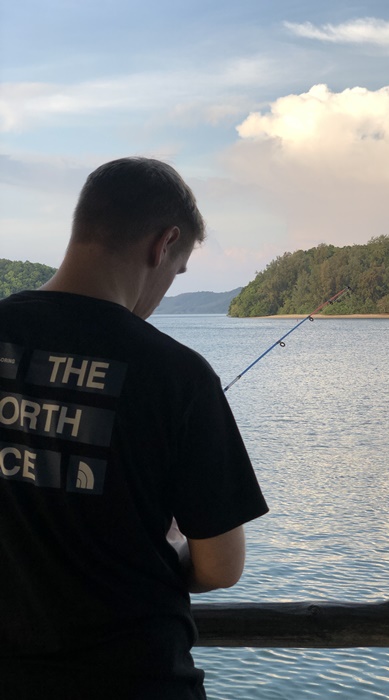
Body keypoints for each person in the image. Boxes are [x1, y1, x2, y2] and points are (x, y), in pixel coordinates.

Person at [0, 157, 268, 699]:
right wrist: (167, 551)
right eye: (178, 269)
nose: (167, 287)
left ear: (82, 226)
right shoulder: (179, 374)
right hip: (135, 680)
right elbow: (221, 567)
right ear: (162, 244)